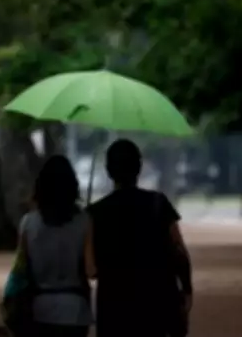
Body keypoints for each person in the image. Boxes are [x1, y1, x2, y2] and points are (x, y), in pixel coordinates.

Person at [86, 139, 193, 337]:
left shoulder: (95, 213)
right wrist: (187, 290)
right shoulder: (158, 204)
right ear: (139, 168)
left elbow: (91, 269)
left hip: (114, 309)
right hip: (155, 304)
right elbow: (179, 251)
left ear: (109, 171)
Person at [17, 155, 92, 337]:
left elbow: (21, 271)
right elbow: (91, 270)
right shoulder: (85, 221)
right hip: (76, 311)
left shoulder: (28, 223)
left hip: (40, 309)